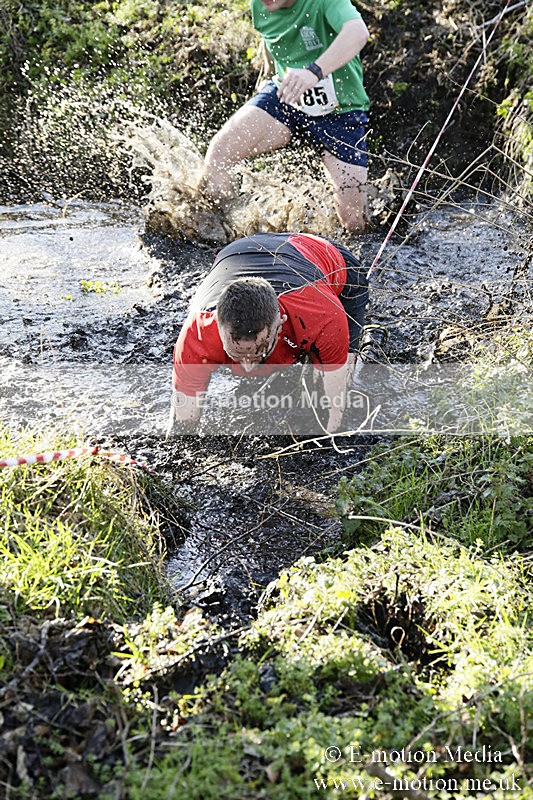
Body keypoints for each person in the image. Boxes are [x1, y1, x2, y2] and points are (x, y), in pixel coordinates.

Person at [197, 0, 371, 234]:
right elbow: (274, 39)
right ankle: (216, 234)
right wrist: (267, 75)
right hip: (285, 98)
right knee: (220, 153)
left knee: (354, 222)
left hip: (339, 113)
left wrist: (314, 72)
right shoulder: (261, 5)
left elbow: (358, 32)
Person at [168, 232, 368, 435]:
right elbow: (183, 422)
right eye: (236, 354)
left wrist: (331, 434)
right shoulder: (197, 334)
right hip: (237, 252)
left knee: (330, 382)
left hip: (326, 257)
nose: (248, 367)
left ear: (281, 324)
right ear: (218, 329)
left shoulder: (322, 315)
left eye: (260, 350)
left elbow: (335, 418)